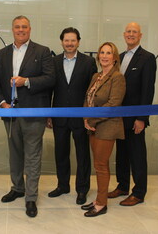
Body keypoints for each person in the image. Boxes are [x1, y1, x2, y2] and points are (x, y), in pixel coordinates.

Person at [0, 15, 55, 218]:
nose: (21, 30)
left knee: (33, 156)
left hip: (34, 112)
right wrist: (2, 103)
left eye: (24, 27)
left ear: (30, 29)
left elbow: (50, 79)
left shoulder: (42, 51)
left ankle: (31, 197)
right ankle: (17, 188)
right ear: (12, 29)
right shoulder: (1, 54)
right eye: (17, 27)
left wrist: (26, 81)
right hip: (10, 113)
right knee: (15, 154)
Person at [107, 22, 157, 206]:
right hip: (119, 116)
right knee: (122, 154)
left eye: (134, 32)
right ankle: (122, 186)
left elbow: (147, 91)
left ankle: (139, 192)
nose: (130, 34)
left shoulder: (148, 58)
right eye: (128, 31)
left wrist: (142, 118)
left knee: (137, 155)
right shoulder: (118, 57)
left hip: (136, 117)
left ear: (140, 35)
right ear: (123, 34)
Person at [47, 27, 97, 205]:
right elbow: (49, 90)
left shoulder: (88, 62)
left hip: (80, 116)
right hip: (59, 115)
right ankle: (62, 186)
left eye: (73, 40)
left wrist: (89, 115)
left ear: (78, 42)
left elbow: (93, 91)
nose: (69, 43)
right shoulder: (53, 61)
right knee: (61, 152)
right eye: (66, 40)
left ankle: (82, 189)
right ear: (61, 42)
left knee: (82, 154)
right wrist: (48, 113)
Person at [81, 42, 126, 217]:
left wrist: (92, 119)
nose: (104, 56)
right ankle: (99, 199)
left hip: (107, 126)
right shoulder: (96, 76)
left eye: (109, 53)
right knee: (98, 164)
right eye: (102, 52)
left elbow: (113, 104)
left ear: (115, 57)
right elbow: (88, 98)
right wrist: (85, 117)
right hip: (92, 125)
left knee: (101, 165)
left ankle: (101, 204)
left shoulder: (117, 77)